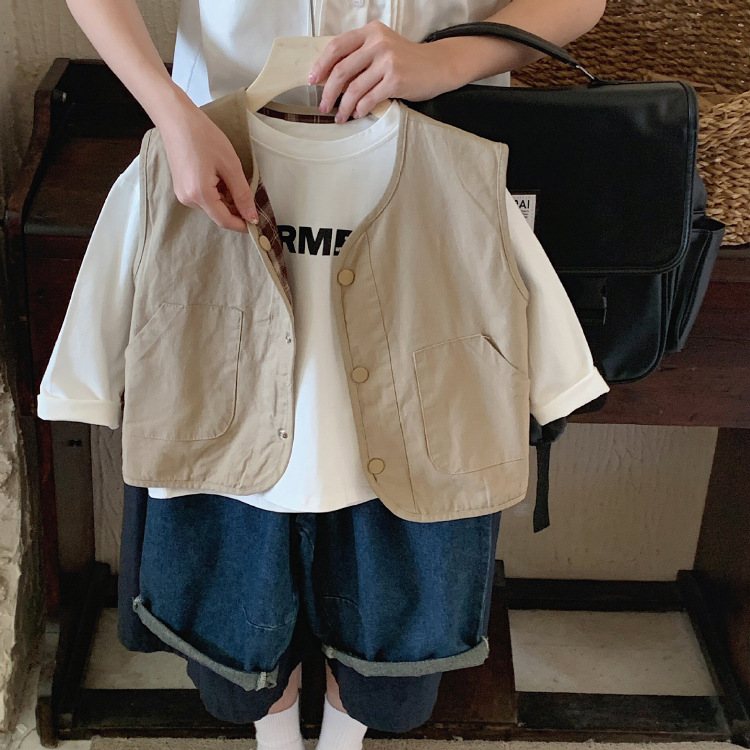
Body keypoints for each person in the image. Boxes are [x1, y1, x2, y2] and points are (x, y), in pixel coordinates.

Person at [59, 0, 608, 747]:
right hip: (209, 166)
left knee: (392, 627)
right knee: (239, 618)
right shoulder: (156, 172)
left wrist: (443, 60)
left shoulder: (462, 173)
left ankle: (346, 739)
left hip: (432, 169)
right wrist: (170, 111)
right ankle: (277, 738)